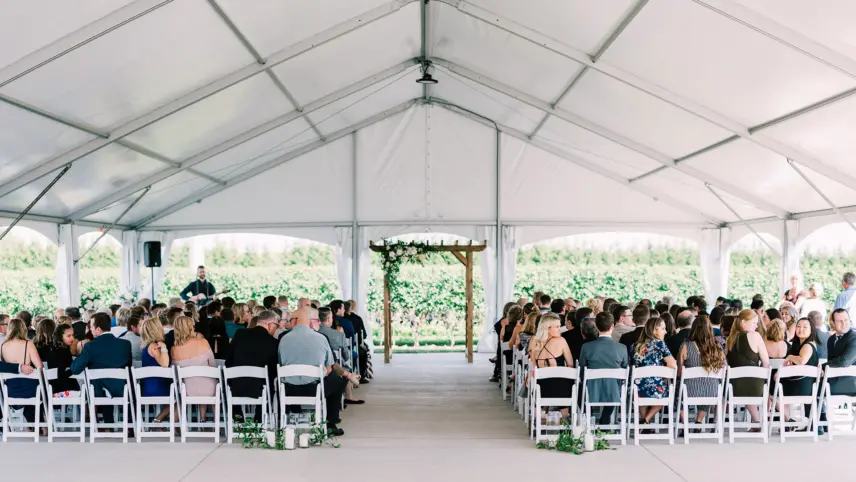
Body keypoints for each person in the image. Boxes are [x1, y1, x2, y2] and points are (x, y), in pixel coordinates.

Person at [278, 307, 347, 436]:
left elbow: (281, 364)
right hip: (315, 390)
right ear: (309, 321)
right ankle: (330, 423)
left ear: (294, 321)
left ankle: (293, 415)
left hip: (289, 390)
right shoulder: (321, 338)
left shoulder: (283, 339)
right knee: (337, 380)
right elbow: (329, 367)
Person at [70, 313, 132, 425]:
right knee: (109, 383)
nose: (90, 330)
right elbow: (128, 366)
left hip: (98, 392)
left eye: (91, 327)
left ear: (98, 329)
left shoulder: (90, 346)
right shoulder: (125, 344)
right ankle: (129, 425)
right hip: (121, 389)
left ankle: (107, 425)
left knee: (100, 384)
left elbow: (75, 369)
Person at [226, 310, 280, 422]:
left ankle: (238, 419)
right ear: (270, 325)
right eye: (276, 325)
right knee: (270, 383)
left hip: (236, 388)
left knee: (230, 380)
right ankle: (259, 420)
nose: (276, 329)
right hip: (260, 390)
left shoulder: (239, 334)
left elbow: (229, 361)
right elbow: (273, 371)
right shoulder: (273, 342)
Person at [578, 312, 628, 425]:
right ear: (612, 326)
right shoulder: (622, 348)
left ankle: (589, 416)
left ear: (596, 326)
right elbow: (625, 369)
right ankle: (606, 417)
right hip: (614, 393)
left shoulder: (586, 347)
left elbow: (581, 369)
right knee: (616, 383)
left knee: (580, 386)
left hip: (591, 391)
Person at [725, 309, 770, 428]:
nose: (756, 326)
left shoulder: (730, 339)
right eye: (754, 323)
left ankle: (756, 421)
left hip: (733, 387)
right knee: (754, 382)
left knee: (744, 381)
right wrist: (765, 381)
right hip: (755, 387)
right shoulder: (755, 336)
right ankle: (757, 421)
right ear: (743, 322)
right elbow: (766, 362)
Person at [678, 316, 725, 426]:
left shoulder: (686, 346)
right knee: (708, 385)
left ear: (693, 329)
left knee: (677, 391)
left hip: (690, 390)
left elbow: (680, 372)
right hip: (712, 392)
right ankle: (698, 421)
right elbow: (723, 368)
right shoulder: (717, 346)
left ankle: (685, 423)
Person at [171, 315, 217, 421]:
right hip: (210, 391)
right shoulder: (203, 342)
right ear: (190, 327)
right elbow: (213, 367)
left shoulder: (174, 349)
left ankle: (202, 419)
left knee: (196, 380)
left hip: (187, 391)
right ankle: (211, 419)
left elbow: (176, 374)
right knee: (211, 380)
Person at [528, 313, 574, 419]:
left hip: (540, 387)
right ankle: (565, 419)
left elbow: (534, 366)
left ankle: (537, 419)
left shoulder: (534, 341)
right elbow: (570, 364)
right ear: (548, 328)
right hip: (561, 389)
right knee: (567, 382)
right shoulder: (561, 341)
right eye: (557, 327)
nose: (559, 329)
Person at [633, 317, 677, 424]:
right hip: (655, 388)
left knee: (642, 394)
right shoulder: (659, 344)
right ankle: (646, 419)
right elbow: (672, 364)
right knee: (666, 396)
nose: (665, 332)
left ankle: (644, 423)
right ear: (654, 330)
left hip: (636, 388)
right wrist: (664, 376)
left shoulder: (635, 345)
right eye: (663, 328)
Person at [0, 318, 43, 424]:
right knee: (42, 388)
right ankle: (38, 424)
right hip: (29, 388)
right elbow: (40, 367)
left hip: (10, 389)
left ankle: (32, 423)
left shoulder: (3, 345)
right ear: (23, 329)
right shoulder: (29, 344)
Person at [779, 317, 820, 428]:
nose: (801, 329)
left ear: (811, 330)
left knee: (772, 389)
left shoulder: (808, 345)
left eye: (805, 327)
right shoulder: (799, 345)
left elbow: (802, 361)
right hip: (804, 386)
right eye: (798, 326)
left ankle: (788, 420)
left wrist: (790, 357)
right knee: (775, 386)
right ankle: (788, 421)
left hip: (802, 387)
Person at [139, 318, 172, 422]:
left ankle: (163, 423)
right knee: (180, 396)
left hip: (147, 386)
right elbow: (165, 364)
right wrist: (164, 348)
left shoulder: (145, 346)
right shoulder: (154, 346)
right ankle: (157, 420)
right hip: (157, 387)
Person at [39, 322, 78, 394]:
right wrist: (74, 368)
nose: (72, 338)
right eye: (68, 336)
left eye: (73, 335)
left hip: (51, 387)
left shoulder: (53, 347)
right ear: (60, 336)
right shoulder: (62, 351)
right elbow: (61, 374)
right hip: (61, 389)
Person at [827, 309, 856, 396]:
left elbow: (844, 361)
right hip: (833, 380)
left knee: (813, 388)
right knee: (810, 386)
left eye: (846, 320)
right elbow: (831, 360)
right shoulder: (831, 339)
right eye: (839, 321)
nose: (843, 323)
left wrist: (824, 366)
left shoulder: (854, 338)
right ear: (833, 323)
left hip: (850, 384)